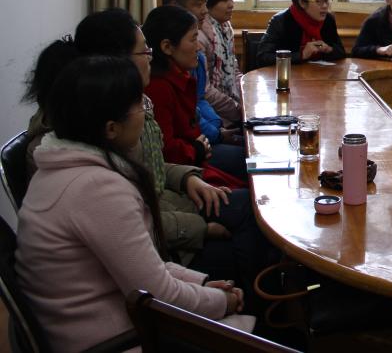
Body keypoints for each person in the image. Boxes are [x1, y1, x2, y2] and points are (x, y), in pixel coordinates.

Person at [21, 8, 275, 301]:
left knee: (250, 205)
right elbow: (150, 278)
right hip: (153, 258)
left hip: (162, 217)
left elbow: (148, 170)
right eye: (144, 51)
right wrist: (202, 232)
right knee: (249, 220)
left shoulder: (107, 118)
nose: (150, 58)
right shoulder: (93, 156)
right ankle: (258, 306)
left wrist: (186, 178)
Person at [16, 56, 252, 351]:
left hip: (117, 316)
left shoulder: (61, 167)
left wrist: (201, 284)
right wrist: (222, 301)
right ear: (111, 128)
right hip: (121, 338)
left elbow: (143, 267)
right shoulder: (96, 190)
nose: (146, 111)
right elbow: (158, 294)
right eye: (139, 104)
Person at [143, 5, 247, 186]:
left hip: (198, 155)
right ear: (167, 47)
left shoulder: (181, 75)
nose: (198, 47)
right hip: (185, 171)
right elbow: (165, 150)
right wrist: (196, 148)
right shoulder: (159, 88)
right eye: (192, 39)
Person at [163, 0, 240, 143]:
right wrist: (218, 132)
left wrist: (217, 129)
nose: (205, 10)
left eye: (206, 2)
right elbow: (197, 101)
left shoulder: (223, 31)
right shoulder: (177, 53)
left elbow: (199, 100)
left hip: (211, 127)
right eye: (199, 4)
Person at [256, 0, 346, 67]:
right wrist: (301, 55)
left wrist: (329, 49)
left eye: (327, 0)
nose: (325, 6)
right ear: (302, 2)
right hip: (290, 75)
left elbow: (341, 52)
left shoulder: (328, 20)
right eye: (318, 1)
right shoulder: (281, 21)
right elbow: (263, 57)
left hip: (321, 74)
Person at [199, 0, 242, 111]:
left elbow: (234, 70)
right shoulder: (200, 37)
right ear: (208, 4)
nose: (231, 5)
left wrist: (246, 92)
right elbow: (205, 91)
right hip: (213, 110)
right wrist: (237, 109)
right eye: (224, 0)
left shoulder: (225, 29)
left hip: (229, 102)